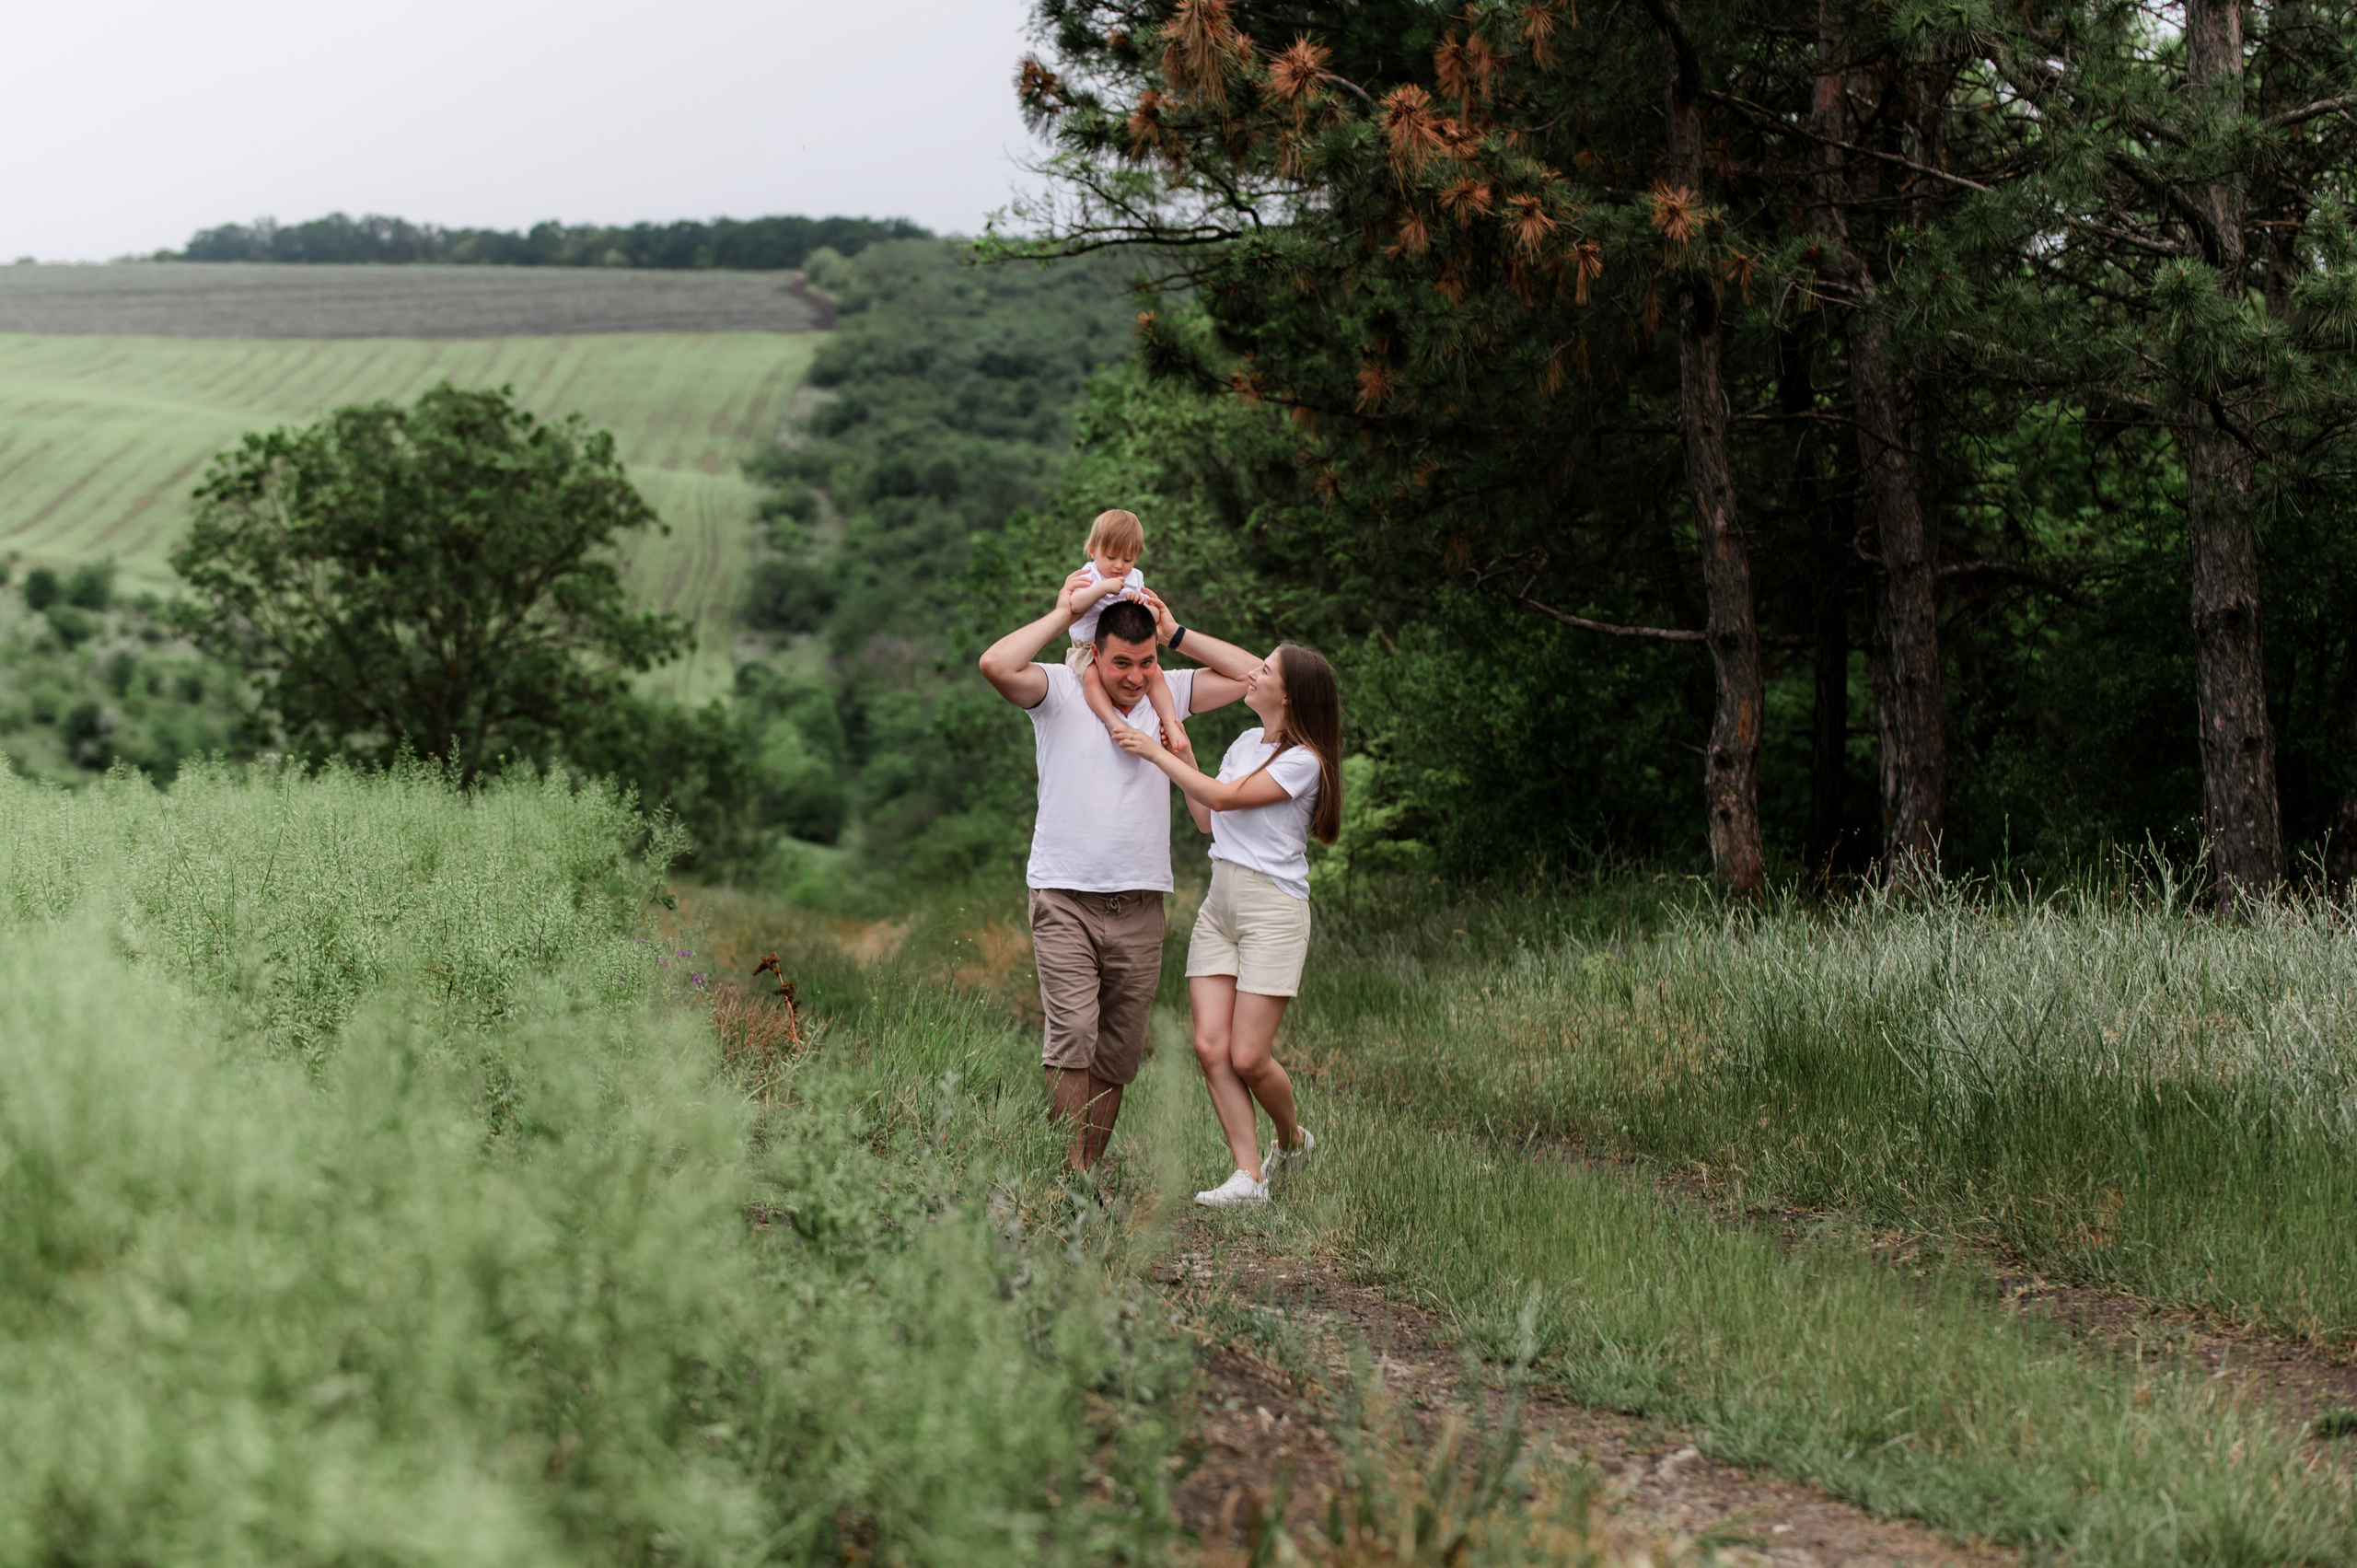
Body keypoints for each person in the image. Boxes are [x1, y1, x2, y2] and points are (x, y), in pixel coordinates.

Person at [976, 566, 1260, 1170]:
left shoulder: (1168, 689)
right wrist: (1067, 609)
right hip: (1063, 896)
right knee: (1073, 1034)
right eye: (1121, 664)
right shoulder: (1057, 687)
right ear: (1095, 654)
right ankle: (1069, 1174)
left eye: (1145, 662)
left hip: (1140, 903)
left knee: (1118, 1051)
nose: (1134, 677)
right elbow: (996, 664)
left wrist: (1176, 631)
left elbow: (1253, 674)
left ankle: (1086, 1177)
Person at [1113, 645, 1343, 1206]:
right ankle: (1248, 1177)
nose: (1253, 673)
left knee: (1248, 1056)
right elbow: (1208, 818)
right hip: (1221, 904)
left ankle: (1291, 1142)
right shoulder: (1245, 744)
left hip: (1272, 910)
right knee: (1210, 1047)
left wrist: (1154, 751)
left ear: (1286, 695)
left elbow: (1224, 796)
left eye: (1264, 669)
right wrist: (1184, 750)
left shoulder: (1303, 760)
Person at [1067, 508, 1188, 756]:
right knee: (1090, 677)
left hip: (1124, 647)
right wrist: (1103, 589)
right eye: (1111, 557)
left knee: (1157, 676)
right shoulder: (1088, 576)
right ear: (1093, 551)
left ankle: (1171, 723)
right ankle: (1114, 723)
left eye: (1128, 559)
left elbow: (1155, 616)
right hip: (1086, 647)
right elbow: (1074, 605)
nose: (1119, 566)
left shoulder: (1135, 578)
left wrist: (1140, 603)